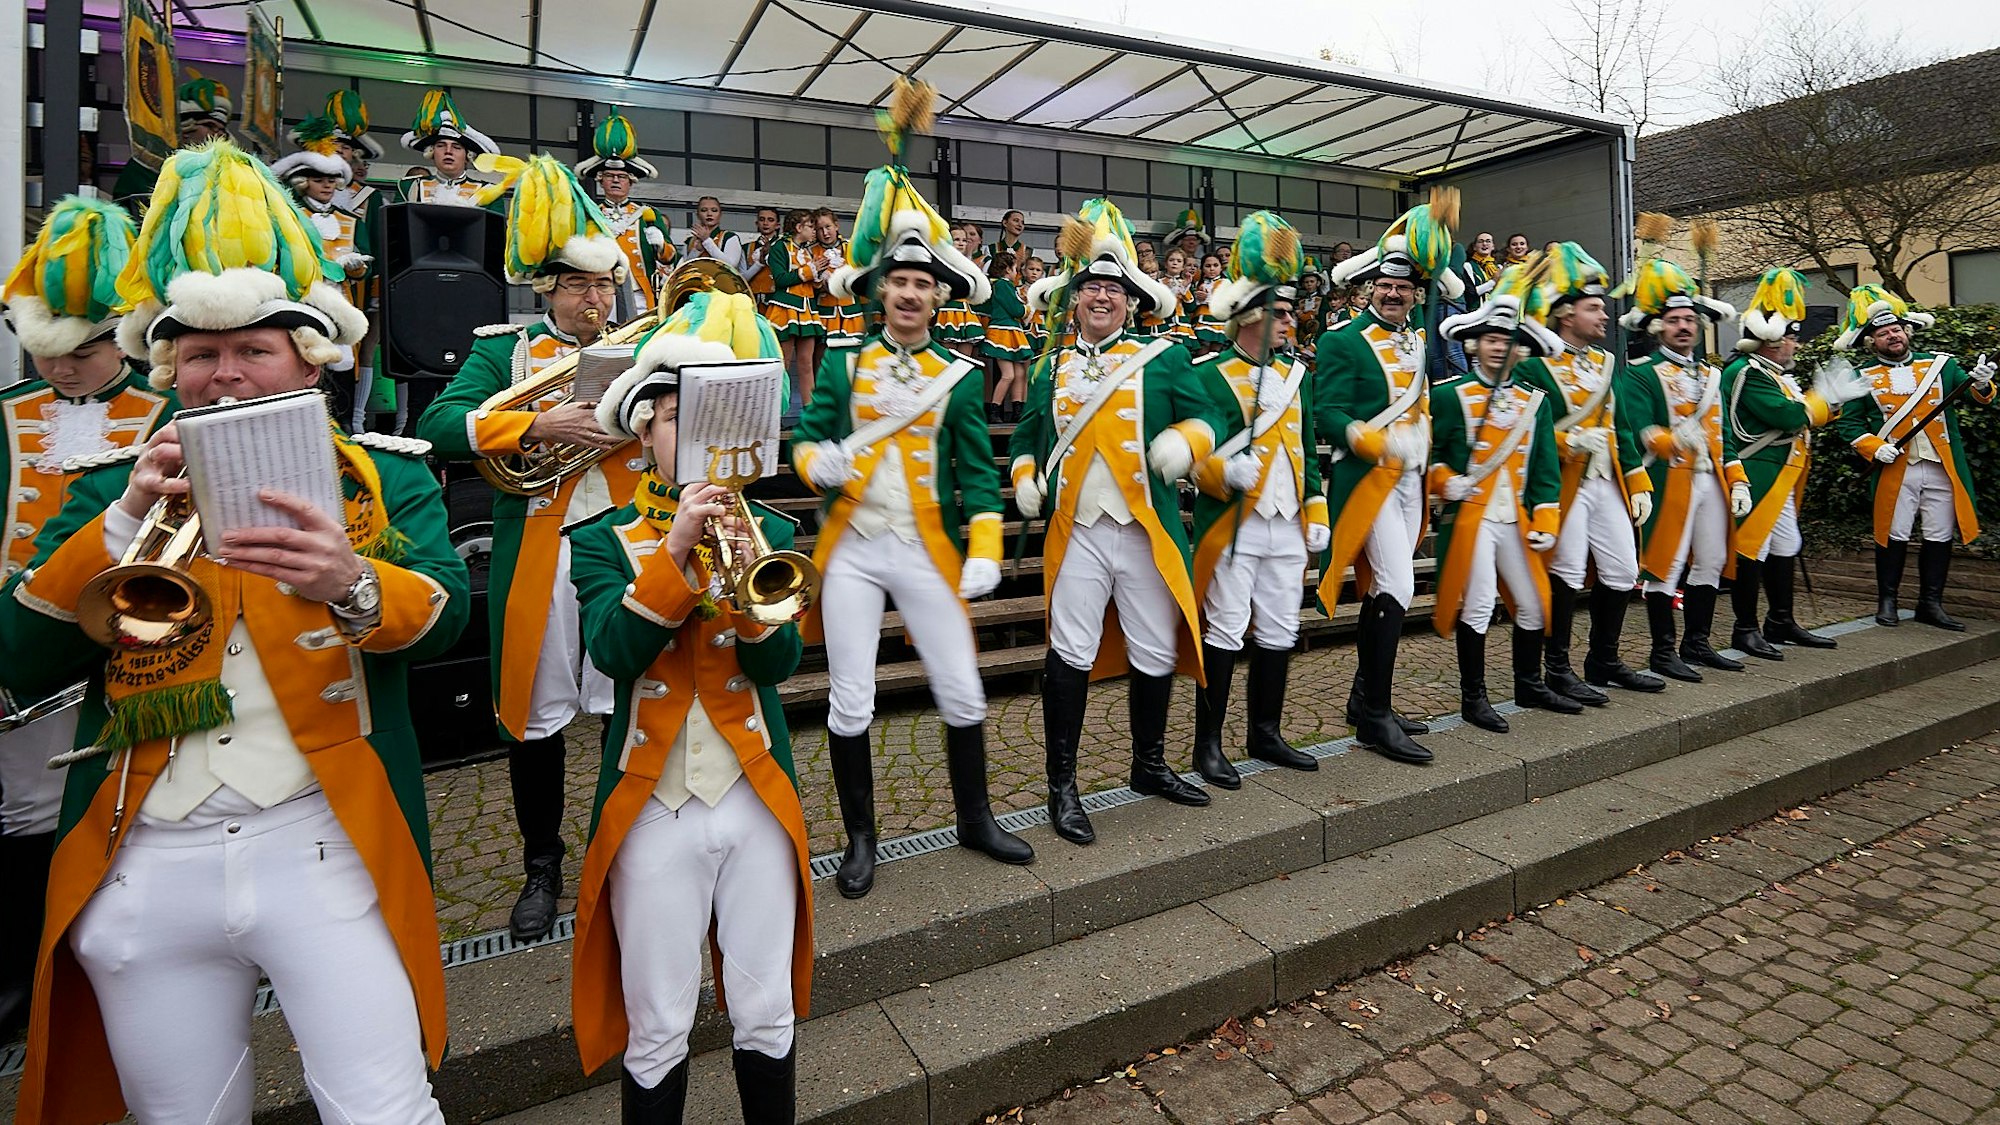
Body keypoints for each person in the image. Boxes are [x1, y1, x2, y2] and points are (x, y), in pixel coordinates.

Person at [2, 142, 468, 1125]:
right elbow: (20, 661)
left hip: (317, 842)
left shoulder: (386, 477)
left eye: (253, 350)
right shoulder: (104, 489)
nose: (223, 375)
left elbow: (442, 615)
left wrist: (349, 580)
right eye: (202, 355)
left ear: (310, 356)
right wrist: (122, 524)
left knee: (387, 1112)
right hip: (144, 857)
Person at [568, 293, 809, 1124]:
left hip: (752, 798)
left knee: (766, 1010)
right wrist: (672, 558)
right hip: (653, 805)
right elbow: (613, 651)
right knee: (660, 1024)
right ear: (645, 435)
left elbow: (779, 662)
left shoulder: (768, 522)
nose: (695, 433)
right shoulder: (603, 538)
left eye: (713, 416)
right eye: (677, 417)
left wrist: (745, 577)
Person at [791, 81, 1032, 897]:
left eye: (924, 285)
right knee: (851, 697)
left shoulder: (959, 380)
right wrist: (811, 462)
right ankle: (861, 837)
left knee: (961, 684)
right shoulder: (844, 362)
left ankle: (975, 817)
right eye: (898, 282)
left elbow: (975, 472)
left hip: (927, 547)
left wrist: (988, 548)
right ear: (879, 291)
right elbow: (809, 436)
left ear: (940, 297)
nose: (909, 293)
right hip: (853, 549)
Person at [415, 156, 642, 942]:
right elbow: (439, 425)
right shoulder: (501, 352)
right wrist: (537, 424)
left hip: (618, 546)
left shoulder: (641, 347)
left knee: (628, 702)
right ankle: (541, 864)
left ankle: (626, 851)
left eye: (604, 285)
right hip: (538, 551)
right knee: (534, 719)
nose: (595, 299)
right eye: (579, 286)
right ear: (545, 288)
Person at [0, 197, 175, 1043]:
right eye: (49, 351)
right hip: (22, 640)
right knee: (23, 816)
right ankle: (23, 972)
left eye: (85, 351)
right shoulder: (3, 413)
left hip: (130, 637)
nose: (62, 367)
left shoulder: (164, 415)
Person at [1011, 196, 1226, 843]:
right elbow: (1026, 437)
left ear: (1132, 299)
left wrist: (1186, 443)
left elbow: (1209, 418)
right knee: (1068, 652)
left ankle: (1149, 764)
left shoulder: (1162, 358)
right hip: (1076, 530)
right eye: (1091, 287)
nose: (1102, 295)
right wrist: (1024, 476)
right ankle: (1063, 787)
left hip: (1145, 529)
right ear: (1074, 298)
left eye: (1113, 287)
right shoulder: (1048, 365)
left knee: (1155, 648)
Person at [1318, 194, 1467, 764]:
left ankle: (1366, 700)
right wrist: (1367, 437)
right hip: (1368, 478)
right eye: (1384, 285)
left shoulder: (1418, 339)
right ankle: (1374, 718)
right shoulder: (1340, 340)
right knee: (1398, 585)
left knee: (1387, 588)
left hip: (1411, 482)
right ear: (1367, 288)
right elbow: (1326, 411)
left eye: (1404, 288)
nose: (1394, 293)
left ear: (1416, 293)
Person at [1183, 213, 1328, 789]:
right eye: (1283, 313)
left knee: (1278, 629)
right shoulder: (1209, 375)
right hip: (1236, 524)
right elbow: (1191, 454)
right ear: (1251, 317)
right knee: (1224, 628)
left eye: (1291, 313)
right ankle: (1207, 745)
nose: (1292, 322)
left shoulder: (1299, 376)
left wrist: (1314, 509)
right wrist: (1220, 472)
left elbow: (1308, 454)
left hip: (1287, 521)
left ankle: (1265, 733)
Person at [1430, 271, 1581, 731]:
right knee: (1476, 604)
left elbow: (1543, 469)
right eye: (1491, 339)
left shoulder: (1535, 402)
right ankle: (1473, 698)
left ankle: (1528, 683)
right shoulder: (1449, 395)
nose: (1499, 347)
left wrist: (1546, 516)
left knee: (1536, 603)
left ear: (1520, 349)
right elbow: (1429, 454)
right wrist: (1444, 480)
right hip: (1472, 518)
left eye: (1508, 341)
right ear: (1474, 345)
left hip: (1515, 516)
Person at [1511, 243, 1662, 700]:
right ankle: (1555, 667)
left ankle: (1604, 659)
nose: (1603, 316)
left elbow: (1622, 427)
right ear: (1564, 315)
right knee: (1567, 573)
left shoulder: (1607, 363)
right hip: (1563, 484)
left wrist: (1637, 481)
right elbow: (1521, 430)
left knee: (1621, 569)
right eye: (1593, 308)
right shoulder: (1534, 366)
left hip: (1606, 482)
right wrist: (1567, 441)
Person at [1719, 269, 1868, 658]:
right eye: (1790, 337)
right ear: (1770, 341)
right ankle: (1745, 628)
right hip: (1757, 472)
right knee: (1752, 548)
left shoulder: (1772, 373)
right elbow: (1786, 417)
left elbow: (1799, 413)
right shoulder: (1748, 372)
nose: (1795, 345)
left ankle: (1780, 621)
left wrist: (1825, 404)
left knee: (1787, 543)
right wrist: (1823, 400)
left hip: (1781, 474)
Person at [1833, 286, 1997, 629]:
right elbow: (1848, 424)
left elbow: (1975, 397)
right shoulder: (1860, 377)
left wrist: (1982, 384)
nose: (1892, 336)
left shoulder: (1940, 365)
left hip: (1941, 465)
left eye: (1896, 329)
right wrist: (1874, 447)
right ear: (1871, 341)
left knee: (1939, 534)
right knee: (1894, 533)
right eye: (1883, 333)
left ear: (1906, 332)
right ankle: (1888, 601)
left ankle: (1930, 603)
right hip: (1897, 466)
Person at [1616, 257, 1742, 683]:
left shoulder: (1714, 374)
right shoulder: (1642, 374)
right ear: (1659, 328)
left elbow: (1726, 435)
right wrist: (1671, 440)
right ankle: (1662, 652)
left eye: (1690, 319)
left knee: (1711, 559)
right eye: (1674, 321)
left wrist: (1737, 478)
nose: (1684, 327)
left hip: (1711, 480)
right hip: (1669, 478)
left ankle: (1698, 643)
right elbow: (1638, 429)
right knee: (1665, 564)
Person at [274, 114, 373, 429]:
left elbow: (366, 272)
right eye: (319, 180)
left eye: (332, 180)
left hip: (341, 306)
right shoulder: (287, 217)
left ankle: (343, 430)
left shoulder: (350, 218)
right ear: (303, 182)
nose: (328, 186)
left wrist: (357, 270)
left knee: (342, 373)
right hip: (299, 304)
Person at [327, 90, 390, 432]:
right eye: (332, 145)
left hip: (360, 288)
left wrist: (376, 288)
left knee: (361, 352)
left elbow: (377, 247)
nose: (340, 151)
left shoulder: (368, 196)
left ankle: (356, 419)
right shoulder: (300, 190)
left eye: (346, 147)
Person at [577, 110, 674, 319]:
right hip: (601, 292)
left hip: (639, 292)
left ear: (631, 181)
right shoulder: (589, 215)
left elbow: (670, 258)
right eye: (610, 176)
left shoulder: (647, 214)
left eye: (621, 176)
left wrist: (660, 245)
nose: (615, 181)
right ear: (600, 180)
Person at [110, 72, 233, 210]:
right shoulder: (146, 167)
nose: (218, 134)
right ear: (185, 130)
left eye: (222, 129)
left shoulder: (227, 174)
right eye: (209, 126)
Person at [398, 89, 503, 209]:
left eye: (456, 147)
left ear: (468, 156)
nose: (448, 151)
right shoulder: (409, 188)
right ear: (431, 152)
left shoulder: (489, 193)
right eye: (441, 145)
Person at [767, 209, 828, 415]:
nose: (814, 231)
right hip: (786, 309)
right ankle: (777, 413)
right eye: (810, 226)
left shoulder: (808, 251)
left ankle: (810, 415)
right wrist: (810, 270)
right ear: (798, 228)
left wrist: (820, 275)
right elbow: (781, 280)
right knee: (782, 364)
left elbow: (810, 282)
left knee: (805, 363)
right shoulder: (779, 247)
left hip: (808, 310)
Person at [982, 249, 1032, 423]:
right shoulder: (1002, 285)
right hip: (1003, 332)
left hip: (1012, 332)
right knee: (1008, 374)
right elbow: (1015, 310)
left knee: (1019, 373)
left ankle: (1018, 410)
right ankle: (994, 410)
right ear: (1007, 269)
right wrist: (1026, 309)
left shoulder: (1002, 285)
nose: (1017, 272)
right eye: (1015, 268)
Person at [814, 208, 863, 351]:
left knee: (851, 354)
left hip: (851, 310)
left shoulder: (852, 248)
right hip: (823, 311)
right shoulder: (811, 251)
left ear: (836, 225)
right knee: (822, 355)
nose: (825, 233)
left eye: (828, 227)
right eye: (819, 229)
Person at [684, 195, 748, 273]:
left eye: (714, 210)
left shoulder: (729, 237)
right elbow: (683, 270)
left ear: (720, 214)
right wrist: (697, 250)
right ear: (697, 215)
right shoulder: (690, 241)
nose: (709, 214)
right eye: (704, 210)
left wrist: (707, 241)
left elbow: (730, 266)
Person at [744, 205, 782, 306]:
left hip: (776, 299)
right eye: (762, 219)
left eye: (770, 220)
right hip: (752, 299)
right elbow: (741, 277)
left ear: (777, 225)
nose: (765, 223)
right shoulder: (747, 247)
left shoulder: (784, 246)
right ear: (757, 223)